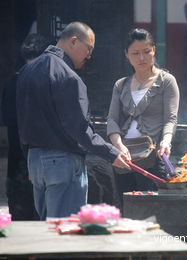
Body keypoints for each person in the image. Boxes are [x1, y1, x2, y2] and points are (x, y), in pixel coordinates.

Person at [16, 22, 130, 220]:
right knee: (64, 232)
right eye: (89, 48)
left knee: (47, 229)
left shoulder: (27, 72)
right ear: (74, 41)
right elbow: (79, 129)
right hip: (62, 162)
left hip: (35, 161)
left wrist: (28, 157)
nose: (89, 56)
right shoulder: (68, 77)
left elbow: (22, 121)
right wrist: (111, 153)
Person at [107, 28, 179, 200]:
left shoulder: (166, 81)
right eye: (135, 53)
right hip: (125, 156)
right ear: (126, 55)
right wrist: (119, 146)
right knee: (127, 210)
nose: (142, 58)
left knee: (150, 213)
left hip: (153, 156)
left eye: (146, 52)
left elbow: (171, 118)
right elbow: (112, 119)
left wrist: (166, 141)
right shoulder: (121, 84)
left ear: (154, 50)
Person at [1, 34, 53, 220]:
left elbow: (8, 121)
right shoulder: (46, 80)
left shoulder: (12, 82)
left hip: (17, 166)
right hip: (40, 162)